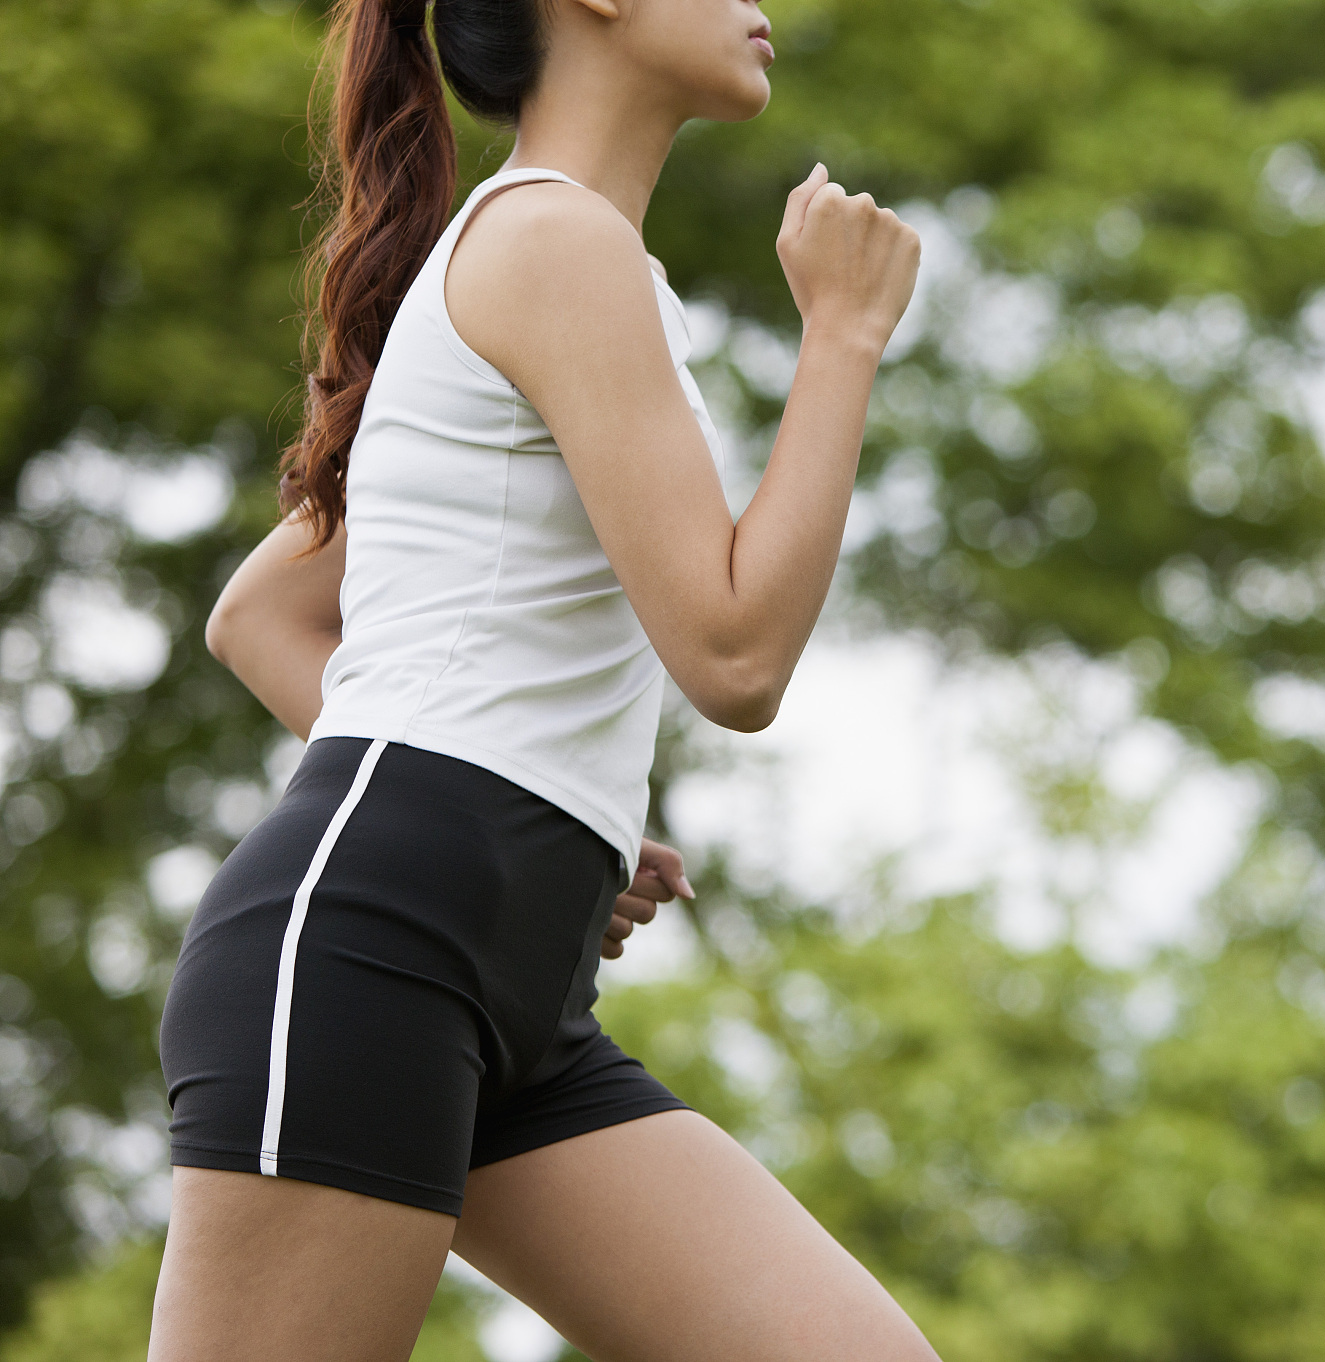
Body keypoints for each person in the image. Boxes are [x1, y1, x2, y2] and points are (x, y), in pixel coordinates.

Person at [148, 0, 927, 1353]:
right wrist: (844, 336)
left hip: (521, 981)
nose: (762, 3)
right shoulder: (553, 241)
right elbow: (735, 654)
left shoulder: (577, 264)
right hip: (375, 947)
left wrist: (539, 791)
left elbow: (263, 610)